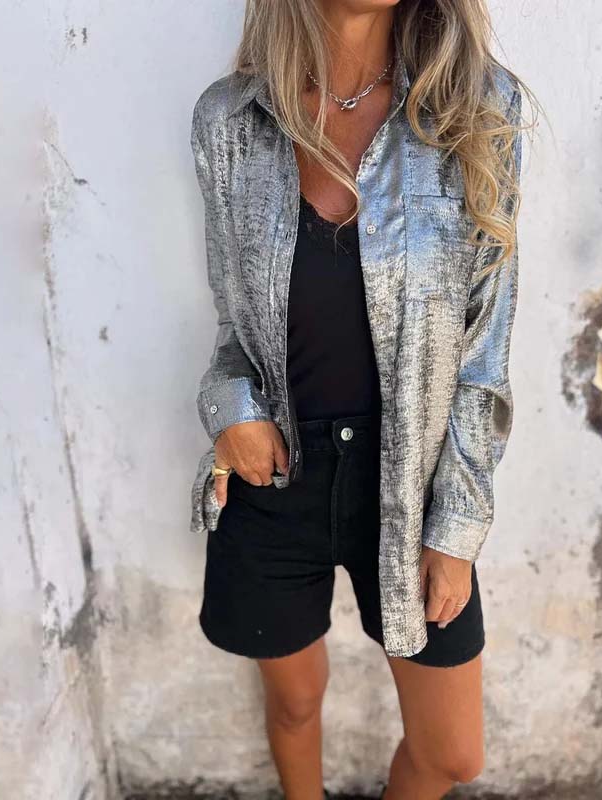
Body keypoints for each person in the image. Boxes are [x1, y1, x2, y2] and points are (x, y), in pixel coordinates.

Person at [188, 1, 534, 797]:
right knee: (295, 705)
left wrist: (458, 525)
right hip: (276, 479)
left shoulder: (476, 106)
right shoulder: (229, 120)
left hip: (410, 483)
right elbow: (233, 326)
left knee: (451, 753)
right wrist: (230, 408)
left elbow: (485, 346)